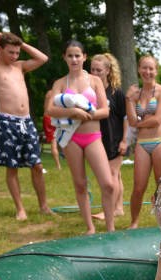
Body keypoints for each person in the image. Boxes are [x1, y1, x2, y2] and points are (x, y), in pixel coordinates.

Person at [0, 32, 54, 221]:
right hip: (7, 121)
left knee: (37, 165)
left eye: (17, 53)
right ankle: (20, 209)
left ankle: (44, 207)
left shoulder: (20, 67)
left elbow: (43, 58)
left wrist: (21, 43)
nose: (14, 56)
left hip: (26, 121)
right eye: (11, 52)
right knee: (11, 167)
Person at [47, 39, 115, 234]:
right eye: (70, 55)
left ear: (84, 57)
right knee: (80, 183)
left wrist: (87, 113)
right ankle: (90, 227)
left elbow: (105, 111)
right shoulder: (60, 83)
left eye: (77, 55)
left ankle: (111, 227)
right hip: (71, 139)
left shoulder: (93, 81)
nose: (74, 59)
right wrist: (73, 112)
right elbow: (51, 109)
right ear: (64, 58)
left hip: (93, 136)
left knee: (108, 184)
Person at [125, 55, 161, 229]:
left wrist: (138, 123)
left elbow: (158, 119)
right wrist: (129, 100)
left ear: (156, 71)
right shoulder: (135, 94)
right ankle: (134, 222)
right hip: (142, 143)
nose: (147, 72)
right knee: (138, 188)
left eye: (151, 68)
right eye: (144, 68)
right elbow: (130, 120)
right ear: (139, 69)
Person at [90, 53, 128, 221]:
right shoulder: (90, 91)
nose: (95, 73)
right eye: (92, 69)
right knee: (116, 175)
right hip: (98, 139)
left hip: (115, 139)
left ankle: (109, 210)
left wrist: (125, 140)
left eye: (98, 70)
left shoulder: (116, 92)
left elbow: (126, 117)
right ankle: (118, 207)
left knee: (112, 175)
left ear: (107, 70)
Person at [42, 90, 62, 170]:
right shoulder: (58, 94)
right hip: (56, 118)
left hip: (47, 118)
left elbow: (45, 107)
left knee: (53, 144)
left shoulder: (48, 94)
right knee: (63, 140)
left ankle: (58, 165)